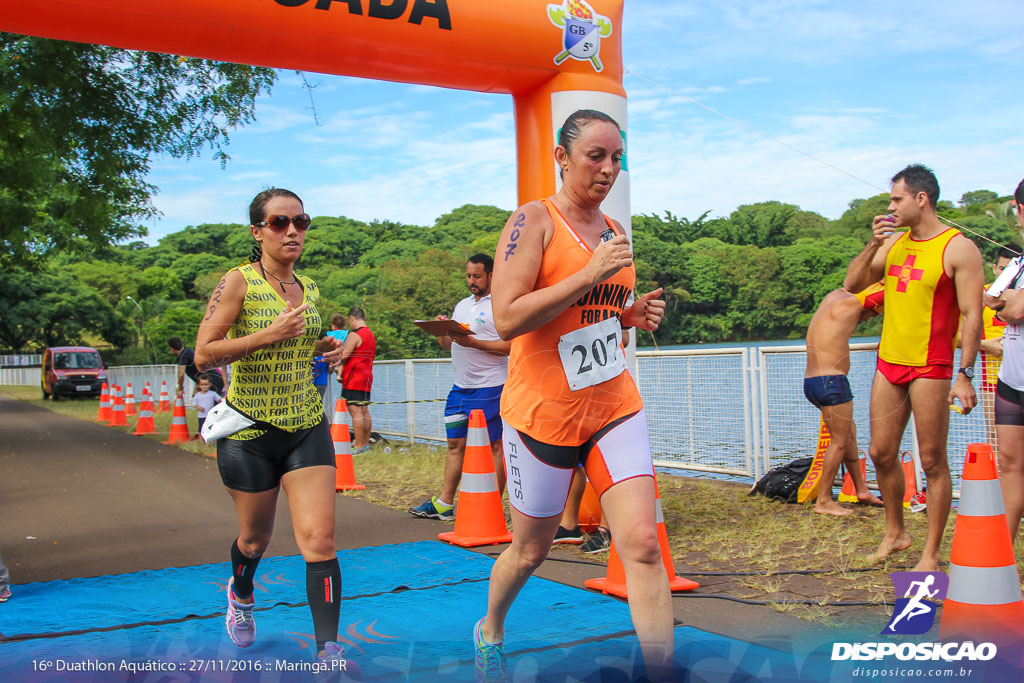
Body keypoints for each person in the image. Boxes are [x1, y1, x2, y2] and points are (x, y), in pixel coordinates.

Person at [478, 109, 672, 681]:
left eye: (618, 158)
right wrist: (589, 275)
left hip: (612, 405)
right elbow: (507, 318)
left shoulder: (613, 231)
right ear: (562, 158)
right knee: (530, 551)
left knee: (641, 543)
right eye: (596, 156)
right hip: (543, 414)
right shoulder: (533, 221)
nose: (609, 169)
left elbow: (595, 319)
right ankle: (491, 626)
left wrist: (630, 316)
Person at [194, 188, 352, 670]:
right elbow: (204, 353)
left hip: (305, 424)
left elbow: (301, 344)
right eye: (280, 222)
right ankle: (241, 595)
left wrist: (326, 346)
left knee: (319, 541)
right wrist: (268, 335)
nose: (292, 232)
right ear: (257, 231)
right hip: (249, 432)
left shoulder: (310, 288)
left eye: (301, 222)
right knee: (255, 541)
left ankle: (328, 648)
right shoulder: (238, 281)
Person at [844, 164, 983, 571]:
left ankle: (931, 554)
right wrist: (872, 245)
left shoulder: (958, 248)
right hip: (890, 363)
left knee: (932, 459)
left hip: (932, 365)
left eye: (896, 199)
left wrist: (965, 373)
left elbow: (972, 314)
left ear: (921, 199)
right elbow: (852, 286)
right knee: (881, 452)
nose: (890, 206)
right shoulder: (893, 244)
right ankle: (896, 532)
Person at [409, 254, 510, 521]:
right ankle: (444, 503)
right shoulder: (462, 305)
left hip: (491, 387)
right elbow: (448, 345)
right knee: (455, 443)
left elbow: (511, 347)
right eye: (468, 276)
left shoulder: (501, 305)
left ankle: (491, 506)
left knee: (495, 447)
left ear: (490, 275)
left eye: (477, 276)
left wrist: (475, 344)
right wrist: (443, 330)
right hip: (460, 388)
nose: (471, 281)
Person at [803, 284, 885, 516]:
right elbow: (900, 288)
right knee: (839, 441)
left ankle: (861, 489)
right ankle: (824, 500)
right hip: (831, 382)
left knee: (849, 435)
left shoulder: (833, 299)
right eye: (871, 313)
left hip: (813, 382)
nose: (869, 319)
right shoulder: (851, 303)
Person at [985, 181, 1024, 540]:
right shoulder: (1016, 262)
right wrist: (1008, 299)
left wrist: (1010, 300)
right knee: (1010, 464)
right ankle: (1003, 553)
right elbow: (990, 300)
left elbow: (1013, 309)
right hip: (1012, 382)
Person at [977, 244, 1021, 444]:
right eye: (1003, 270)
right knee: (996, 440)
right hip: (992, 382)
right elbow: (956, 334)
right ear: (995, 268)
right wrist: (986, 344)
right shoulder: (982, 296)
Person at [335, 307, 376, 453]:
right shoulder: (370, 334)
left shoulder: (355, 334)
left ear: (352, 318)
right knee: (364, 410)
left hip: (354, 377)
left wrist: (335, 357)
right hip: (366, 376)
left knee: (355, 411)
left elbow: (344, 355)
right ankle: (365, 444)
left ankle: (358, 446)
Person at [190, 373, 223, 441]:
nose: (204, 386)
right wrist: (198, 408)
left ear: (210, 385)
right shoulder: (197, 395)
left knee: (211, 428)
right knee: (201, 429)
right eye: (202, 384)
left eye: (206, 384)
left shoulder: (212, 393)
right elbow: (194, 404)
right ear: (199, 385)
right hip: (201, 416)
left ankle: (212, 442)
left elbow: (219, 400)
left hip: (210, 415)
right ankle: (201, 442)